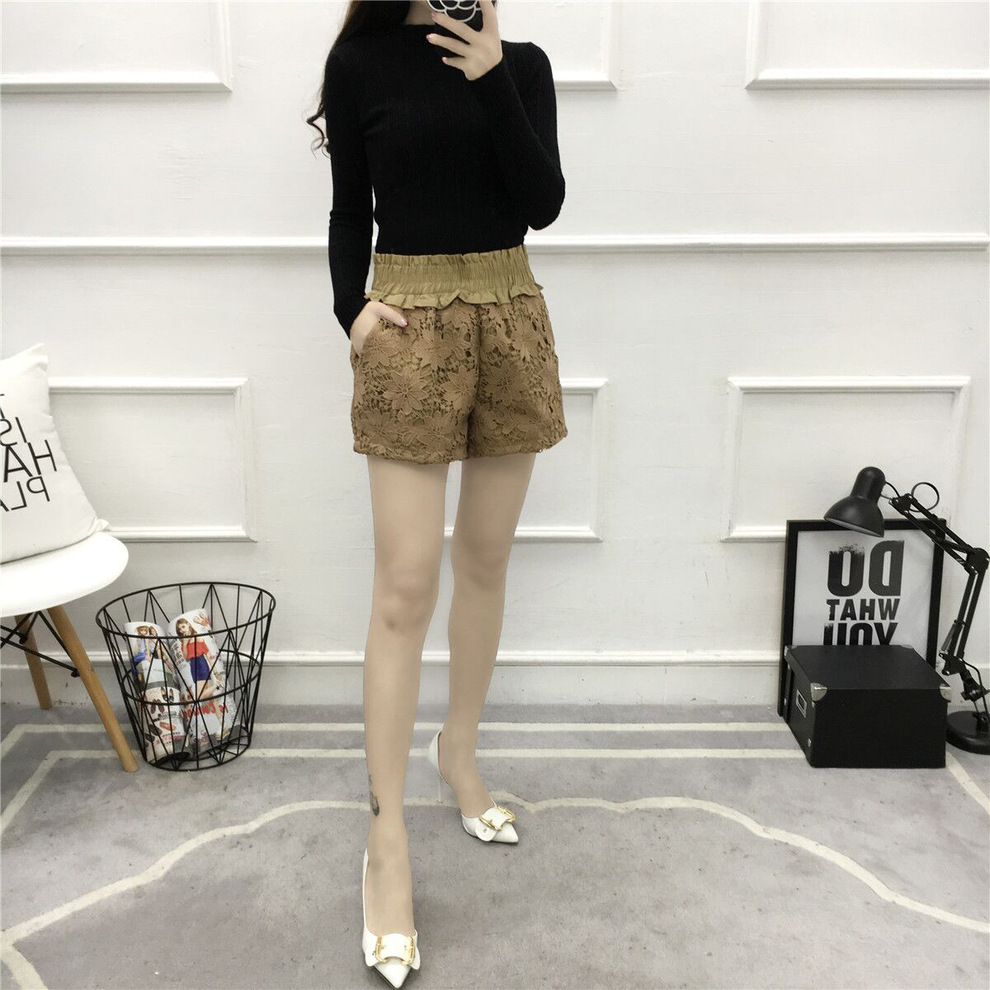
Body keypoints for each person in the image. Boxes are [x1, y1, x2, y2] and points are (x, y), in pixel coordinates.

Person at [308, 0, 566, 982]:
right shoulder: (362, 62)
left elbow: (541, 202)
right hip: (407, 324)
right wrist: (351, 310)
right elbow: (350, 206)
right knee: (404, 587)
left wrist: (492, 74)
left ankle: (459, 752)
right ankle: (387, 844)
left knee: (486, 561)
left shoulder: (523, 63)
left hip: (510, 316)